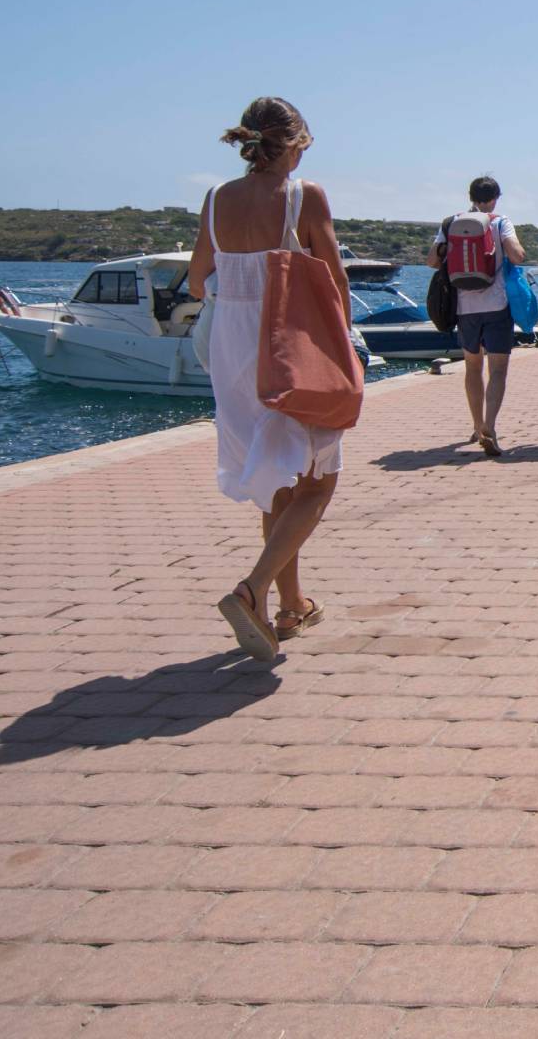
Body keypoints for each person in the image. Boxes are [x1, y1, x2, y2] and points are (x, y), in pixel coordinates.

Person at [188, 96, 350, 660]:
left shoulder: (215, 199)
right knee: (318, 480)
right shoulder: (304, 197)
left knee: (274, 479)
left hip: (230, 348)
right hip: (287, 345)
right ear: (296, 143)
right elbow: (334, 280)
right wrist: (345, 349)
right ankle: (252, 590)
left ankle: (291, 605)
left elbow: (195, 279)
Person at [425, 176, 524, 457]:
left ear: (470, 196)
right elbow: (517, 255)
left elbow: (432, 261)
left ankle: (476, 424)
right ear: (495, 197)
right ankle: (490, 426)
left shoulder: (450, 222)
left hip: (464, 309)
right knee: (498, 370)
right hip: (496, 306)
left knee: (472, 369)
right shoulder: (500, 221)